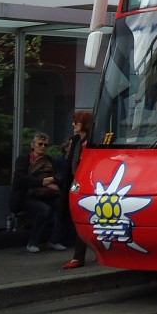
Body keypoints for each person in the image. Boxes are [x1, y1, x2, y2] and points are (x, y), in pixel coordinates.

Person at [10, 132, 66, 254]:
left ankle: (54, 240)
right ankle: (32, 242)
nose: (43, 147)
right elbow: (22, 178)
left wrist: (50, 181)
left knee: (62, 205)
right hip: (27, 196)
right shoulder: (23, 160)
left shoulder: (49, 160)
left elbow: (59, 175)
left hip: (46, 194)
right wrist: (43, 182)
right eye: (40, 144)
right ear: (33, 145)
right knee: (44, 209)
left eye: (45, 145)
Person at [60, 110, 92, 270]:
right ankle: (78, 256)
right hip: (77, 183)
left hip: (87, 184)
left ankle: (78, 256)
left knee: (83, 218)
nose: (73, 124)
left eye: (76, 122)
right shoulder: (77, 140)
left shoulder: (91, 141)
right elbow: (71, 164)